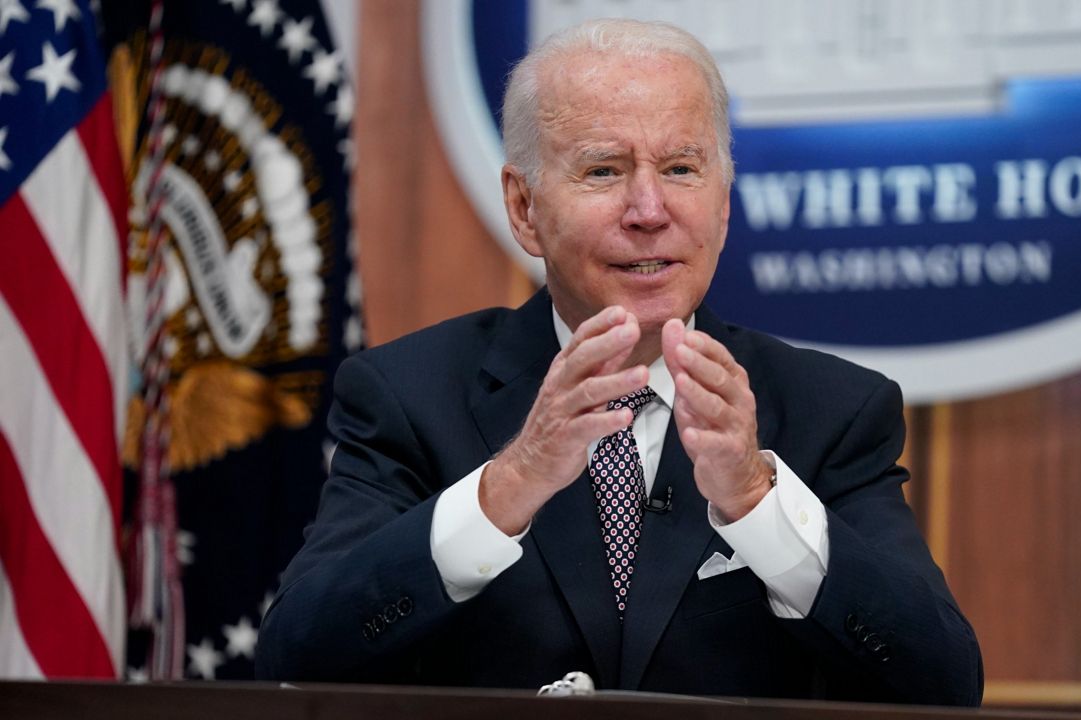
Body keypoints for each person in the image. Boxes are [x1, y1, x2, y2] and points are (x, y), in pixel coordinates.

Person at [256, 18, 982, 705]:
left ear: (724, 202)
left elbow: (942, 681)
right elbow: (297, 656)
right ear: (523, 207)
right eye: (603, 171)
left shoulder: (831, 410)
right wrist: (509, 485)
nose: (648, 208)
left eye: (681, 168)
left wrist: (760, 505)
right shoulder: (408, 396)